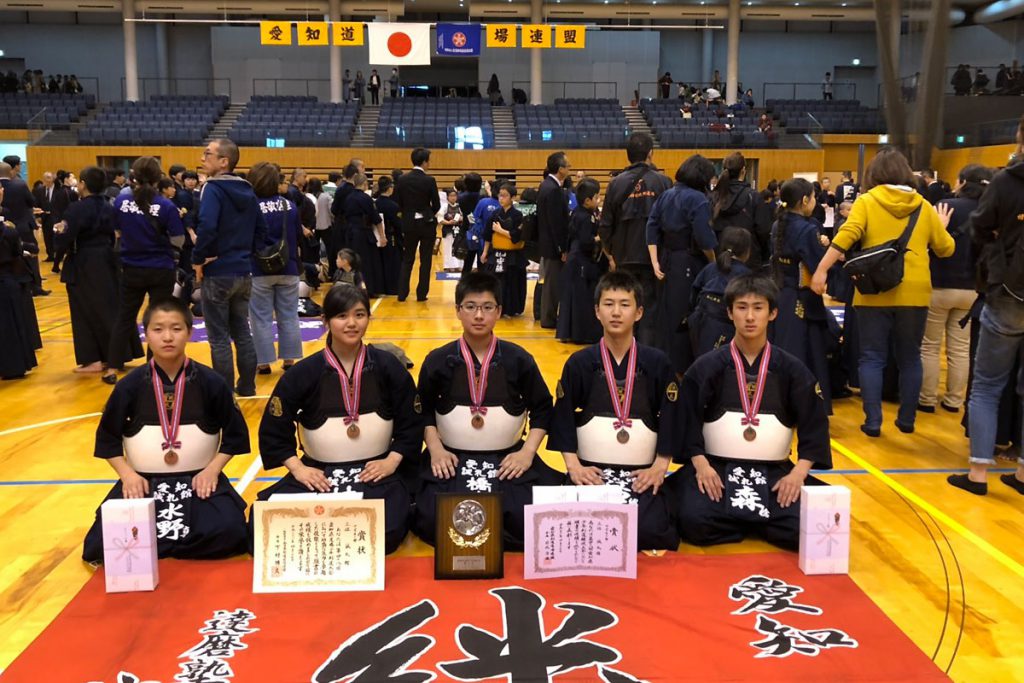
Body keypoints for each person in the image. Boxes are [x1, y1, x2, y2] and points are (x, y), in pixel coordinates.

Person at [667, 275, 832, 550]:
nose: (750, 316)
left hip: (773, 473)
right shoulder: (706, 367)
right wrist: (701, 464)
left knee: (813, 522)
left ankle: (741, 520)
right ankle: (760, 522)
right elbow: (688, 421)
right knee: (692, 519)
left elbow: (814, 425)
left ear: (773, 313)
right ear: (729, 313)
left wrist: (798, 474)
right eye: (742, 307)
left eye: (758, 307)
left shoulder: (792, 370)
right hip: (717, 470)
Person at [82, 298, 250, 562]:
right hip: (143, 483)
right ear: (146, 333)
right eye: (158, 329)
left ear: (190, 333)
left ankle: (159, 545)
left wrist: (212, 470)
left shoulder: (211, 382)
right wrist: (127, 475)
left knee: (230, 531)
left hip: (198, 481)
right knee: (102, 543)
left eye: (176, 328)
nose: (167, 337)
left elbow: (235, 436)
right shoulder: (130, 385)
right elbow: (107, 438)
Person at [256, 285, 420, 553]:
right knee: (265, 525)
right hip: (319, 474)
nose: (352, 323)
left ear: (369, 318)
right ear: (326, 321)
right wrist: (299, 469)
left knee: (386, 528)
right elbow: (275, 427)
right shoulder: (303, 373)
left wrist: (392, 460)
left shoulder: (388, 367)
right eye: (342, 316)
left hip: (375, 473)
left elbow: (411, 421)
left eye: (359, 315)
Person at [810, 148, 954, 437]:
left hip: (873, 290)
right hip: (915, 292)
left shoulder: (867, 202)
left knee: (872, 357)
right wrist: (941, 227)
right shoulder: (924, 206)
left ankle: (873, 421)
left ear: (874, 174)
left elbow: (845, 237)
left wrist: (821, 269)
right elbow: (946, 248)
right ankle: (907, 418)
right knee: (910, 357)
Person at [413, 272, 561, 550]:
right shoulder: (438, 360)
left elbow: (542, 408)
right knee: (433, 516)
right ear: (457, 311)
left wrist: (527, 453)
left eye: (487, 307)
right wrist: (436, 450)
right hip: (452, 459)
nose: (478, 315)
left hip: (507, 459)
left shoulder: (519, 360)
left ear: (499, 311)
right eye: (470, 306)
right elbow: (423, 411)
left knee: (525, 517)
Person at [549, 271, 680, 551]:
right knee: (571, 528)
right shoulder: (580, 363)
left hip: (640, 473)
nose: (616, 312)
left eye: (625, 304)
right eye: (608, 304)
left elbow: (671, 416)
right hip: (591, 471)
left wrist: (660, 467)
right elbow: (562, 417)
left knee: (649, 531)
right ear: (597, 311)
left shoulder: (657, 362)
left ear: (639, 312)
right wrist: (574, 467)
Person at [947, 118, 1024, 496]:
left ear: (1019, 138)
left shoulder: (1006, 182)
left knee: (989, 385)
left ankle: (978, 473)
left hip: (1009, 290)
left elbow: (978, 226)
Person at [192, 139, 267, 397]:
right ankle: (247, 386)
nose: (203, 158)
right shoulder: (248, 189)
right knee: (242, 332)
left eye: (208, 154)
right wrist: (246, 255)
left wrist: (199, 258)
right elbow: (262, 231)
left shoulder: (212, 188)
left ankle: (224, 393)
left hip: (218, 272)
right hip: (243, 272)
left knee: (219, 338)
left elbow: (207, 226)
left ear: (224, 161)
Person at [919, 164, 992, 414]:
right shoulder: (991, 212)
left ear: (961, 181)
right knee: (960, 349)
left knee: (929, 345)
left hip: (939, 284)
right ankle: (953, 401)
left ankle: (926, 399)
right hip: (972, 289)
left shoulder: (945, 206)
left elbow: (928, 241)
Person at [106, 157, 183, 384]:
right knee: (158, 320)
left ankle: (112, 367)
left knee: (125, 316)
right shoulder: (167, 206)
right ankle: (154, 368)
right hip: (160, 268)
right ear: (159, 177)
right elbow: (178, 240)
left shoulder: (121, 202)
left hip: (131, 267)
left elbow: (117, 231)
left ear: (134, 177)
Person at [598, 133, 673, 349]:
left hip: (624, 258)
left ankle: (623, 354)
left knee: (624, 307)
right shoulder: (663, 182)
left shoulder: (615, 184)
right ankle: (646, 356)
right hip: (654, 261)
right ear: (651, 153)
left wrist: (611, 255)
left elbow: (605, 226)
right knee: (649, 310)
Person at [646, 154, 718, 375]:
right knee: (685, 314)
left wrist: (655, 261)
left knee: (667, 314)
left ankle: (667, 361)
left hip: (667, 259)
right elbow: (704, 237)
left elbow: (652, 226)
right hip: (687, 261)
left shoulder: (666, 195)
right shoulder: (698, 199)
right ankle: (682, 366)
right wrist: (714, 262)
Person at [771, 178, 834, 414]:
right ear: (805, 200)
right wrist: (826, 250)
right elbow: (817, 264)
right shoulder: (808, 229)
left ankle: (781, 401)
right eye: (813, 197)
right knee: (806, 352)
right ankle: (806, 405)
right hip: (802, 297)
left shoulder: (778, 224)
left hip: (780, 293)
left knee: (783, 347)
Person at [55, 166, 124, 377]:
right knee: (109, 307)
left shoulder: (76, 209)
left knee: (83, 309)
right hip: (107, 259)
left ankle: (92, 359)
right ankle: (112, 357)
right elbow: (115, 235)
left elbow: (65, 238)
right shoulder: (109, 206)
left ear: (83, 184)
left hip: (84, 261)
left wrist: (58, 232)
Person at [246, 162, 302, 377]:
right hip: (288, 265)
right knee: (289, 314)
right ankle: (289, 359)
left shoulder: (250, 207)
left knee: (260, 317)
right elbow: (296, 235)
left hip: (258, 266)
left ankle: (263, 363)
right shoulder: (290, 205)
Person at [688, 227, 752, 358]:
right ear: (747, 251)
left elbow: (693, 295)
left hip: (699, 322)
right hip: (724, 325)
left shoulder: (710, 267)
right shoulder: (746, 276)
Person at [556, 177, 606, 345]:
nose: (598, 200)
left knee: (573, 296)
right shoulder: (584, 217)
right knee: (581, 297)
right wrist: (598, 238)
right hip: (580, 260)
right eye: (596, 197)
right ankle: (581, 334)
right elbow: (586, 241)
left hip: (574, 258)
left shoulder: (578, 212)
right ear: (587, 200)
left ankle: (569, 332)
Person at [0, 183, 39, 379]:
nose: (2, 190)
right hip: (6, 281)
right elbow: (15, 252)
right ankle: (12, 365)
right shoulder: (7, 231)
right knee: (9, 326)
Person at [711, 152, 771, 270]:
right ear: (743, 170)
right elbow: (763, 231)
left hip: (720, 258)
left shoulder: (714, 197)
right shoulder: (753, 197)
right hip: (749, 259)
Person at [395, 148, 440, 302]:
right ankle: (421, 294)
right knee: (425, 260)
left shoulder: (402, 179)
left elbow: (398, 202)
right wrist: (427, 213)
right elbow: (437, 204)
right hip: (426, 224)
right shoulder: (429, 180)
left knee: (407, 258)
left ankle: (402, 293)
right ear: (424, 162)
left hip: (408, 223)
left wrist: (408, 213)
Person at [0, 157, 45, 296]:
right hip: (22, 225)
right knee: (30, 255)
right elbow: (32, 201)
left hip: (3, 227)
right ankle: (35, 286)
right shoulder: (19, 185)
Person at [537, 152, 571, 329]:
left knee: (551, 282)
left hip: (548, 244)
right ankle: (549, 319)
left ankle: (548, 317)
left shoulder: (547, 186)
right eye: (568, 166)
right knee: (552, 284)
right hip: (552, 246)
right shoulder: (553, 189)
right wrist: (562, 248)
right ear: (560, 169)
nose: (570, 169)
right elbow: (556, 223)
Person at [482, 182, 527, 317]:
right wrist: (484, 252)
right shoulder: (495, 214)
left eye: (505, 196)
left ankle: (512, 308)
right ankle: (497, 308)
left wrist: (501, 231)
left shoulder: (518, 215)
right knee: (498, 282)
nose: (501, 199)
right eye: (500, 196)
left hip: (513, 254)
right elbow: (487, 235)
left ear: (512, 197)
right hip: (497, 253)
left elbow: (517, 236)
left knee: (513, 281)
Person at [344, 173, 386, 296]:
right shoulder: (365, 198)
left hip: (349, 232)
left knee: (352, 262)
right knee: (366, 262)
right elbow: (376, 218)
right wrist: (382, 236)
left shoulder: (348, 197)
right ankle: (368, 289)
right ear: (364, 184)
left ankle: (353, 288)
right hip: (362, 233)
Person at [374, 176, 402, 295]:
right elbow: (399, 223)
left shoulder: (375, 203)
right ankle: (392, 288)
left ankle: (381, 287)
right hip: (391, 236)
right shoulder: (393, 206)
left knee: (379, 262)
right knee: (393, 263)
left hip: (376, 236)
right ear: (389, 188)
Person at [438, 188, 463, 272]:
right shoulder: (444, 206)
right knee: (448, 248)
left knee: (458, 247)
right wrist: (448, 222)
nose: (453, 198)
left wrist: (460, 219)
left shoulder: (459, 206)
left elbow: (465, 217)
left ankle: (458, 265)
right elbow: (439, 218)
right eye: (451, 196)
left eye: (455, 195)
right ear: (447, 197)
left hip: (458, 230)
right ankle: (448, 266)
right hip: (448, 230)